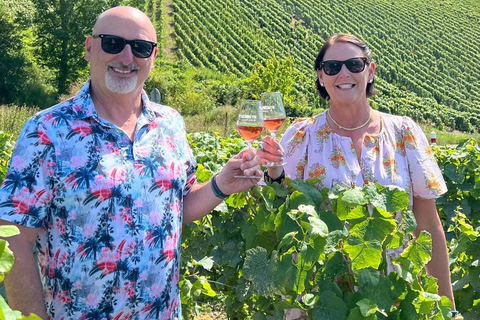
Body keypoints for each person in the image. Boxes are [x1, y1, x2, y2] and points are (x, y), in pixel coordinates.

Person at [0, 6, 261, 320]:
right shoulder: (47, 131)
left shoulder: (170, 124)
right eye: (112, 43)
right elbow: (12, 236)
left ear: (152, 57)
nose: (126, 57)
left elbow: (178, 209)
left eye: (140, 48)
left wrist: (221, 185)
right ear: (89, 47)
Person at [258, 33, 456, 317]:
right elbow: (284, 211)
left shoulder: (404, 133)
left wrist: (447, 309)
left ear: (370, 71)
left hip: (397, 294)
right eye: (332, 67)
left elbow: (428, 224)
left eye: (354, 64)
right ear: (321, 77)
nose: (343, 73)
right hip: (326, 299)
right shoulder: (302, 136)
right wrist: (273, 173)